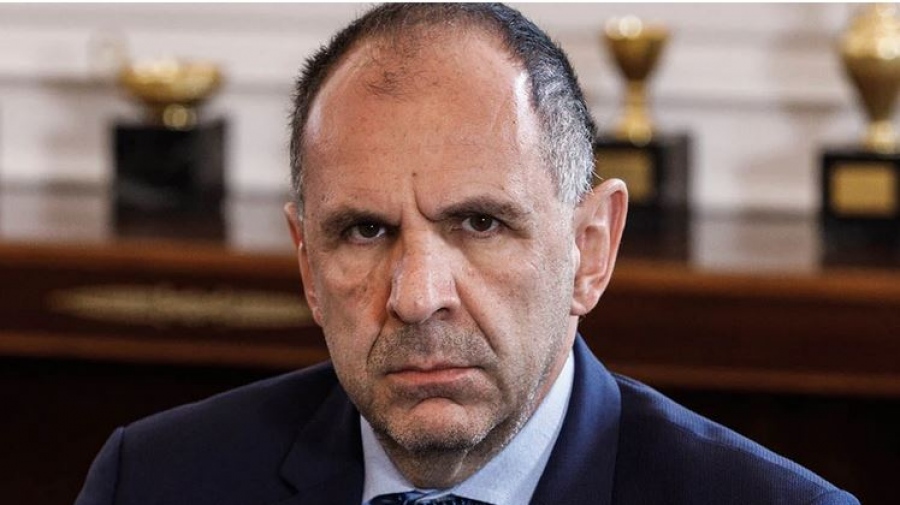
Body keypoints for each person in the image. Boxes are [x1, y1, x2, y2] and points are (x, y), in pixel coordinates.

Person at [75, 4, 859, 505]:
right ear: (307, 265)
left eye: (481, 223)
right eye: (365, 231)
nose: (418, 297)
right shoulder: (152, 481)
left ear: (590, 250)